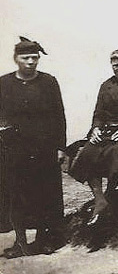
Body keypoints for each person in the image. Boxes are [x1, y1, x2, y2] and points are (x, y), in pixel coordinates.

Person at [0, 38, 66, 258]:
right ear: (16, 59)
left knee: (45, 195)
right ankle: (20, 242)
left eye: (34, 57)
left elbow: (59, 116)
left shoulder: (48, 82)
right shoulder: (4, 83)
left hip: (44, 148)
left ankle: (44, 241)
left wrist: (60, 147)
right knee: (16, 195)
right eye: (25, 57)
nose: (30, 61)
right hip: (13, 149)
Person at [68, 49, 118, 229]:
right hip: (108, 129)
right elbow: (99, 113)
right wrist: (96, 128)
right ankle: (100, 199)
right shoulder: (106, 85)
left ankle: (110, 193)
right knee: (88, 151)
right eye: (115, 65)